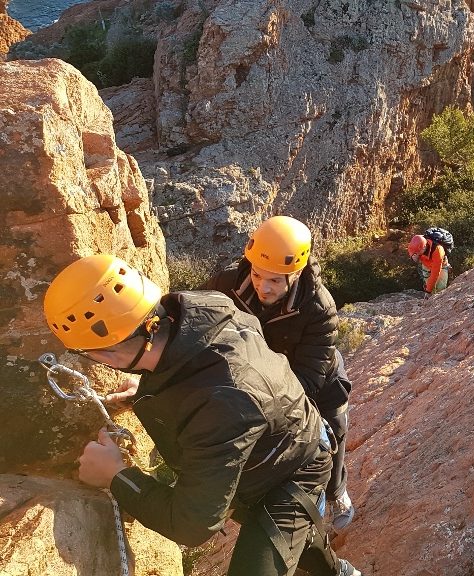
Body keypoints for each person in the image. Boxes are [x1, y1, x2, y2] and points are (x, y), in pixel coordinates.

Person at [44, 254, 360, 576]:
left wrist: (116, 475)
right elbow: (211, 369)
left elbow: (193, 526)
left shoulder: (223, 403)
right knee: (296, 536)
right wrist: (149, 386)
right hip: (276, 444)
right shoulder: (204, 309)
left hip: (295, 468)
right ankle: (340, 572)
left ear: (104, 352)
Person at [203, 216, 356, 531]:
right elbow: (199, 319)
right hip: (258, 374)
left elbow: (310, 374)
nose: (263, 286)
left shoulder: (317, 306)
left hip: (314, 379)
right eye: (258, 275)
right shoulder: (228, 283)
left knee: (332, 431)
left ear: (295, 274)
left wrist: (267, 407)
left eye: (274, 280)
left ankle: (337, 489)